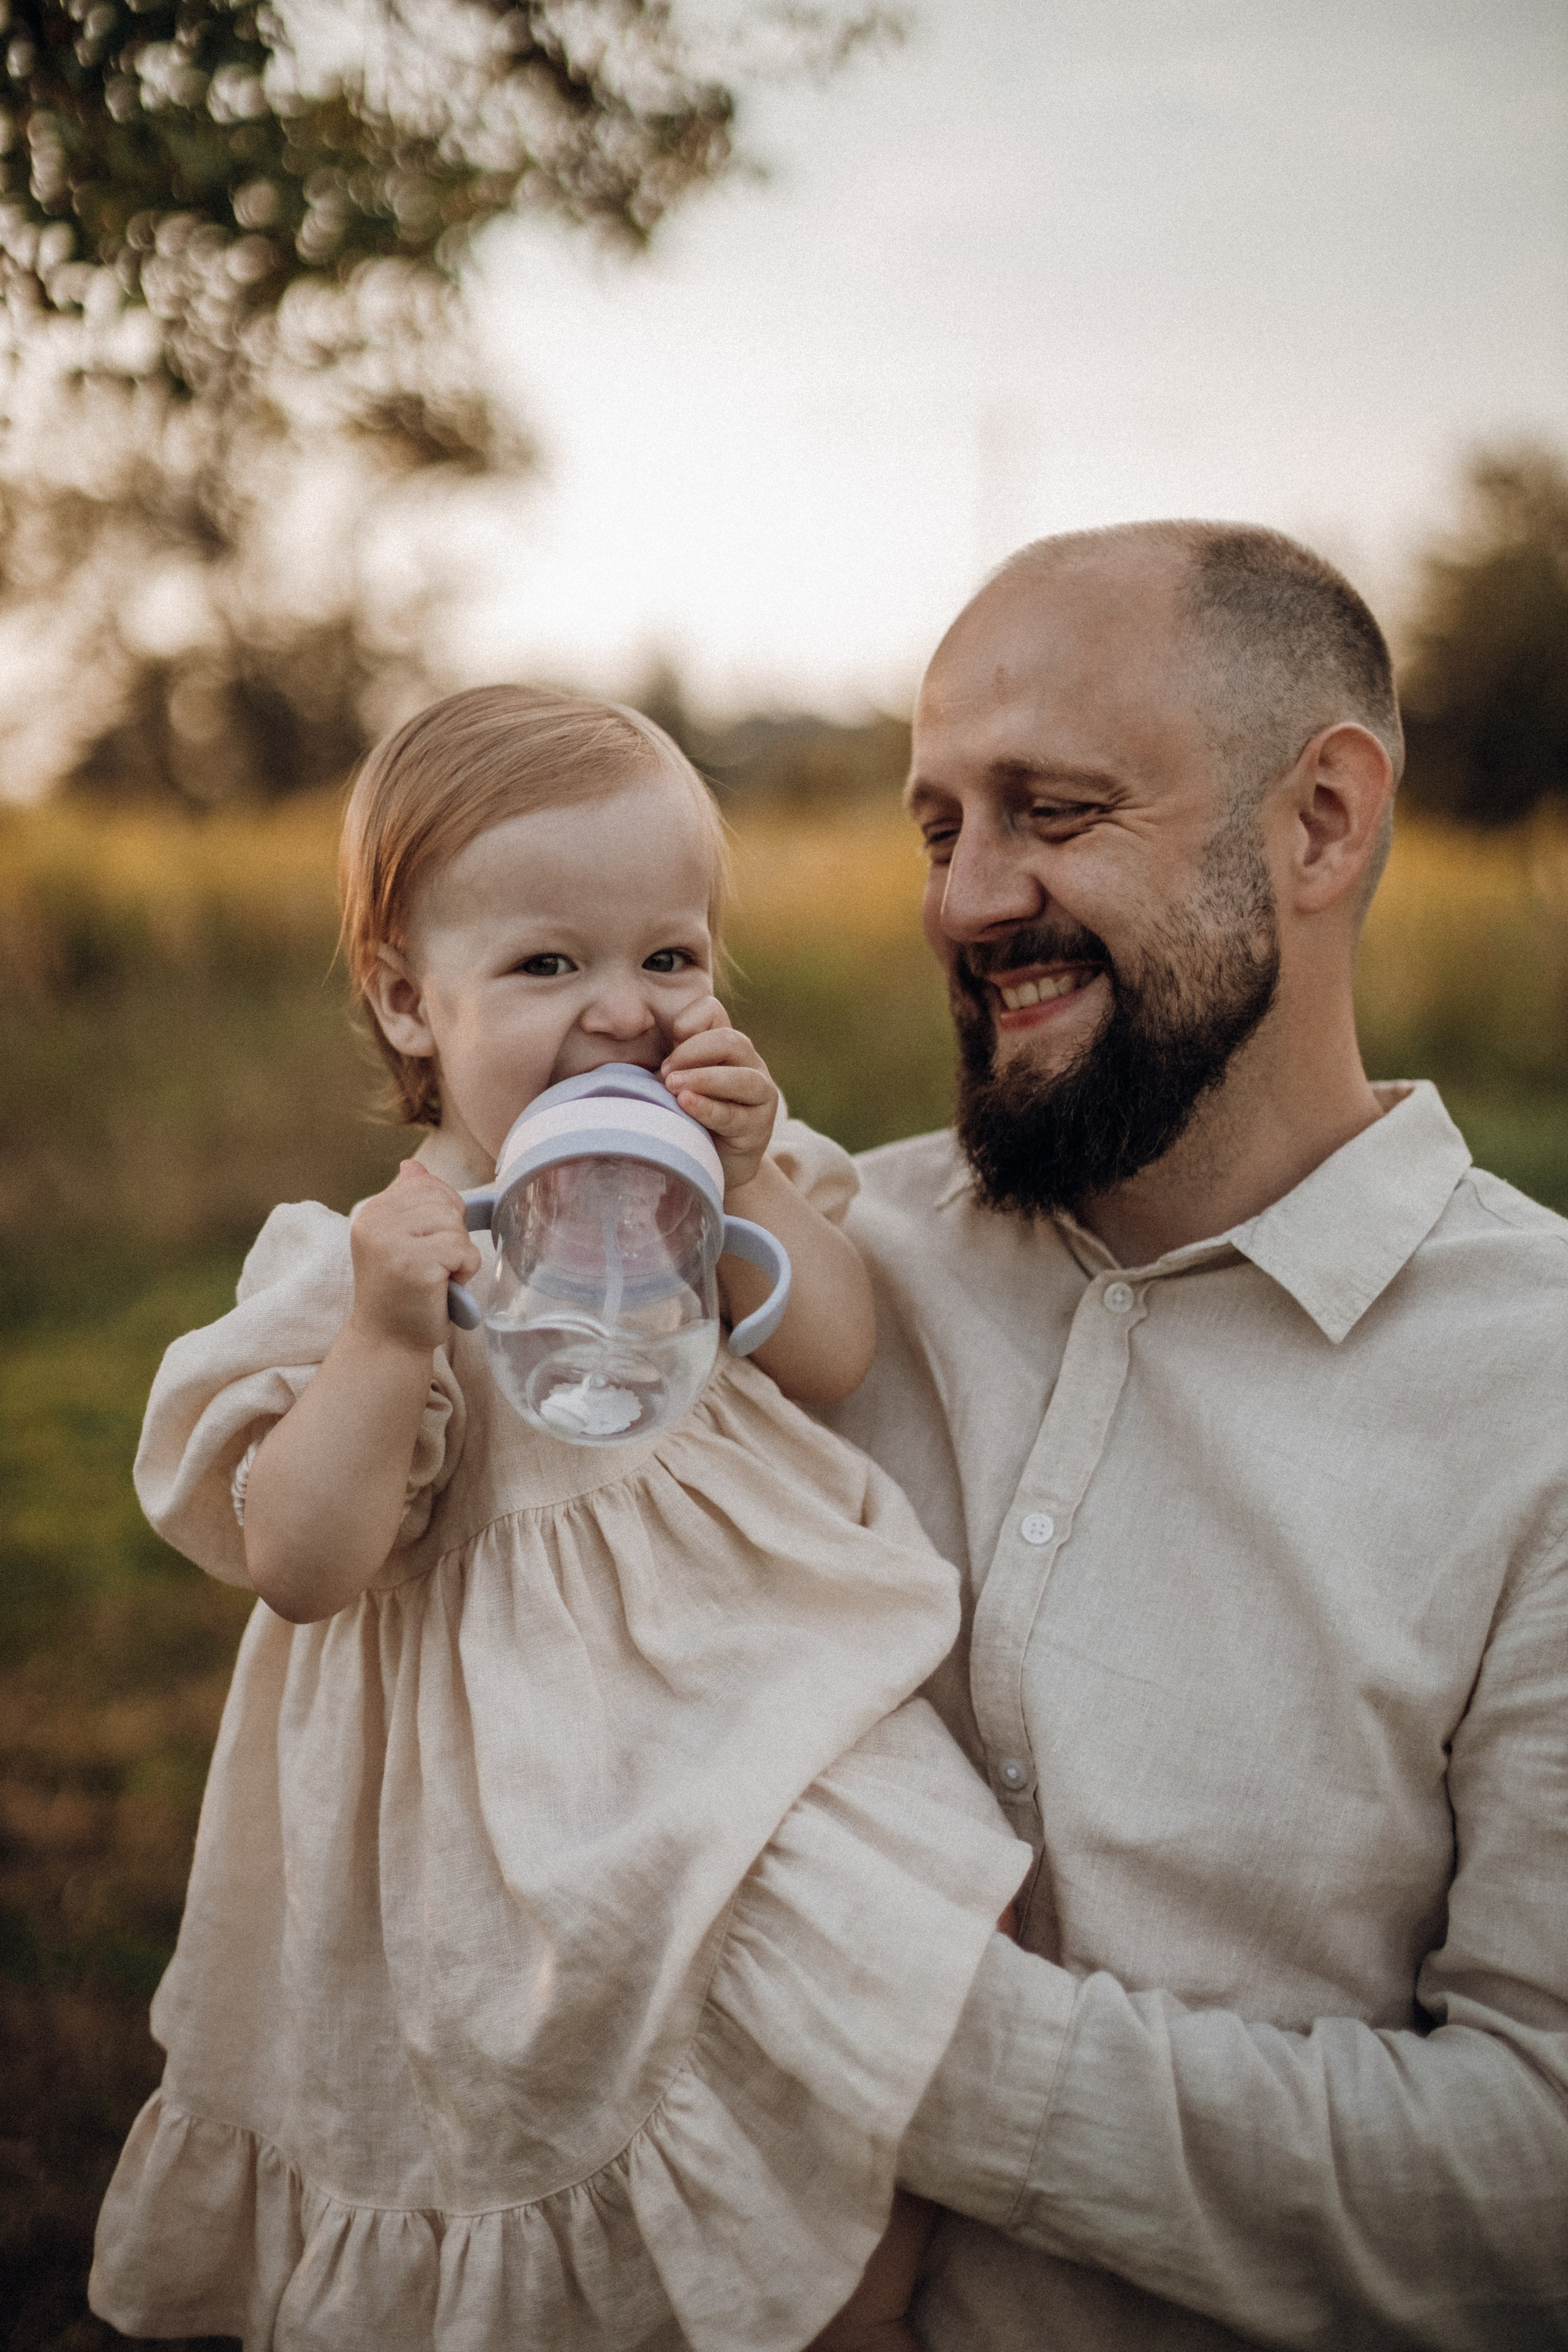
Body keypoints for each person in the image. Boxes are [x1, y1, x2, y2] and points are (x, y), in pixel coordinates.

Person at [88, 685, 1027, 2352]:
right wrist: (387, 1343)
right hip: (495, 1806)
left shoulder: (733, 1169)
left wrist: (744, 1181)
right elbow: (303, 1566)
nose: (625, 1014)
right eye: (547, 965)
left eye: (670, 958)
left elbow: (836, 1349)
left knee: (875, 2048)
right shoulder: (367, 1260)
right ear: (406, 1003)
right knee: (546, 2126)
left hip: (746, 1720)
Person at [826, 522, 1568, 2350]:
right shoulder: (811, 1277)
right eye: (939, 827)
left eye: (1054, 813)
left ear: (1322, 823)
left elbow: (1533, 2185)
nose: (967, 900)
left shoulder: (1543, 1396)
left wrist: (902, 2031)